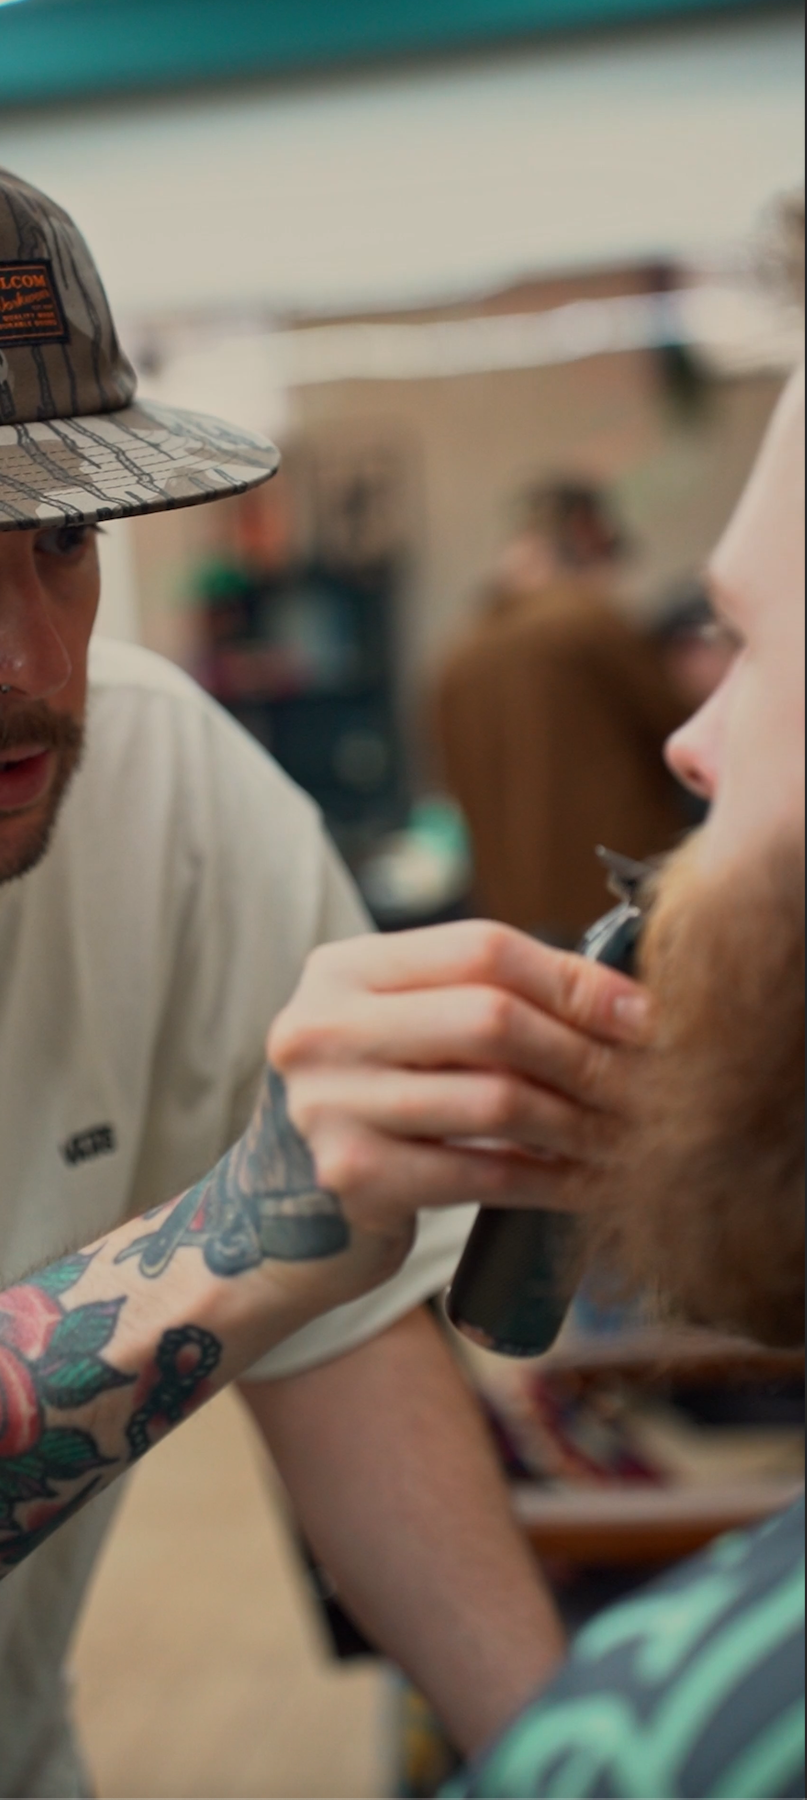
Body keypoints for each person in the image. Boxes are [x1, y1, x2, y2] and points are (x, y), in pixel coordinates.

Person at [0, 120, 643, 1795]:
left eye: (65, 545)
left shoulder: (162, 783)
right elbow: (271, 1267)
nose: (26, 661)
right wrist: (230, 1241)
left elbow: (342, 1348)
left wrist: (587, 1767)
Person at [273, 366, 805, 1800]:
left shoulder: (456, 653)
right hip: (675, 969)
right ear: (586, 538)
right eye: (725, 638)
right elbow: (666, 738)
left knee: (580, 1284)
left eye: (757, 644)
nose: (705, 740)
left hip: (537, 929)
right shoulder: (591, 638)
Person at [430, 480, 690, 941]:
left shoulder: (455, 659)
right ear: (589, 542)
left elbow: (448, 783)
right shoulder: (588, 623)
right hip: (619, 910)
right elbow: (681, 736)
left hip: (515, 921)